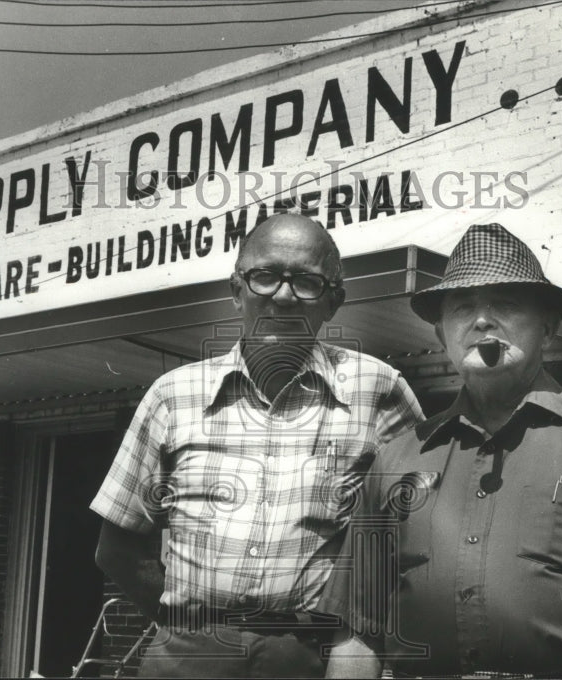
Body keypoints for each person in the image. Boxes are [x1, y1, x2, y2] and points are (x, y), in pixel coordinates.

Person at [322, 223, 562, 679]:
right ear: (441, 333)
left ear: (548, 328)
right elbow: (358, 634)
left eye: (506, 305)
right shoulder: (397, 458)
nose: (482, 320)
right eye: (464, 307)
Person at [91, 213, 425, 678]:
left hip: (310, 656)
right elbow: (117, 547)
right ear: (236, 290)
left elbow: (413, 542)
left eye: (307, 282)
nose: (284, 296)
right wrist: (192, 629)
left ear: (334, 302)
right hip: (184, 654)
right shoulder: (172, 395)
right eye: (265, 277)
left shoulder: (380, 390)